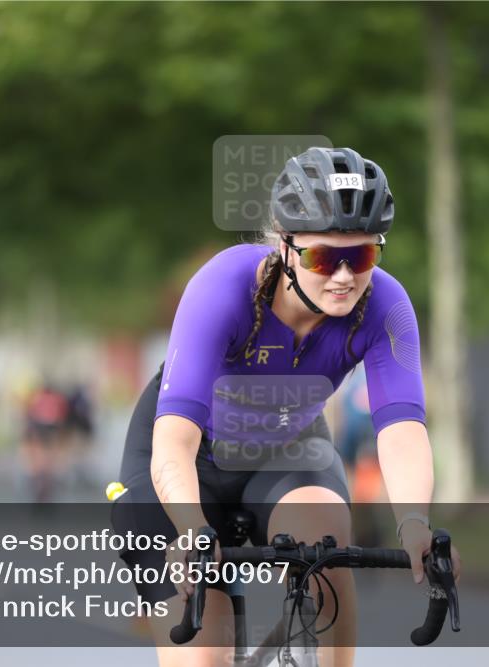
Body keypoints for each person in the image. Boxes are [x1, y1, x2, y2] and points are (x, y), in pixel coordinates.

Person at [111, 147, 460, 667]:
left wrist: (413, 522)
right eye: (324, 258)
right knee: (207, 649)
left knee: (327, 547)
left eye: (361, 256)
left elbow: (402, 428)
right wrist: (191, 531)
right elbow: (174, 442)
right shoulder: (223, 287)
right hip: (185, 459)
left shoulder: (386, 306)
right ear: (286, 247)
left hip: (284, 445)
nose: (344, 276)